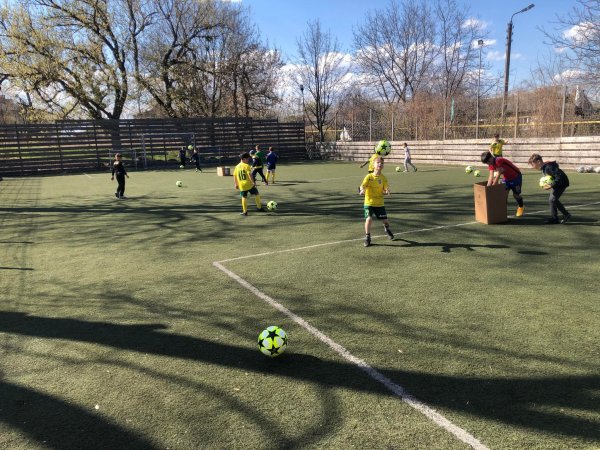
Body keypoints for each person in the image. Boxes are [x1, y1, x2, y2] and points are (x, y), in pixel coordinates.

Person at [359, 156, 394, 247]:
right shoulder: (369, 176)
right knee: (369, 218)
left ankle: (386, 228)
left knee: (386, 221)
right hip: (369, 202)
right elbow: (362, 185)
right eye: (378, 163)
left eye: (382, 163)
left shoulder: (383, 178)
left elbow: (386, 188)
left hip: (379, 203)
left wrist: (387, 191)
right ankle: (368, 237)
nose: (380, 164)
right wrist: (362, 190)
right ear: (373, 165)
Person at [528, 153, 571, 224]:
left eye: (533, 164)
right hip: (557, 183)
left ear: (538, 162)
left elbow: (559, 176)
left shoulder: (548, 167)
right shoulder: (544, 168)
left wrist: (551, 185)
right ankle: (557, 217)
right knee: (552, 200)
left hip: (561, 183)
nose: (532, 167)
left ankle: (563, 216)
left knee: (552, 199)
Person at [480, 152, 524, 217]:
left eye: (489, 161)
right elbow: (491, 176)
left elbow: (498, 173)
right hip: (506, 179)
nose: (489, 163)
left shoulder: (498, 160)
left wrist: (493, 186)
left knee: (516, 195)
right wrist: (487, 188)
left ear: (491, 157)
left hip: (516, 177)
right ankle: (502, 213)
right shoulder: (490, 164)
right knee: (503, 196)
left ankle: (521, 207)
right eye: (487, 163)